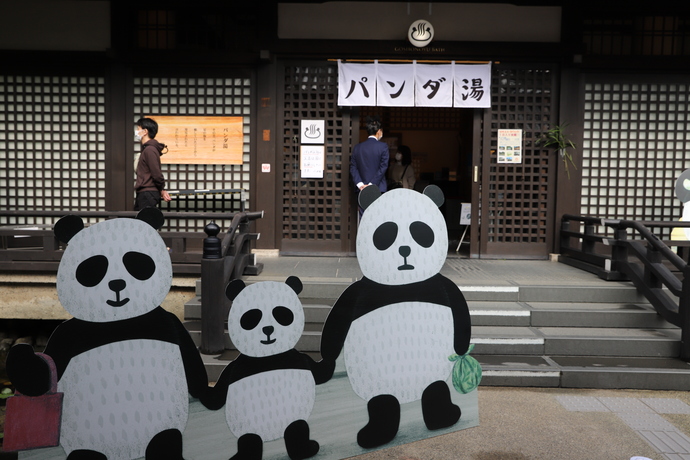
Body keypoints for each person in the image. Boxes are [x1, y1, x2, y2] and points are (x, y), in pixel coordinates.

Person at [134, 117, 171, 211]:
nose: (136, 131)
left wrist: (162, 189)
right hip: (145, 192)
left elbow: (156, 173)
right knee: (140, 223)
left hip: (147, 193)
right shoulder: (148, 149)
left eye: (138, 129)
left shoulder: (150, 150)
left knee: (145, 223)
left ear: (145, 131)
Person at [350, 116, 390, 195]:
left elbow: (353, 167)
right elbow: (383, 167)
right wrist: (371, 184)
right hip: (378, 188)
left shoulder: (357, 148)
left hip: (361, 189)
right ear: (378, 131)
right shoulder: (383, 147)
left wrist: (360, 184)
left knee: (363, 207)